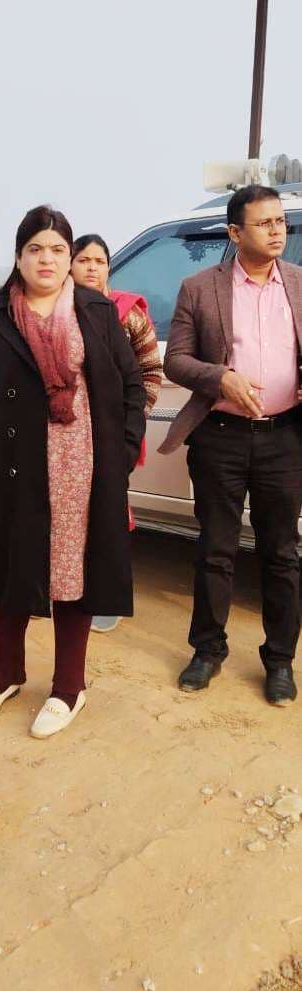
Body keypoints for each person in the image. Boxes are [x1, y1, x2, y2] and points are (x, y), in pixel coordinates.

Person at [0, 205, 145, 738]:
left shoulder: (96, 311)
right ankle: (5, 674)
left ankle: (69, 687)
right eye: (35, 249)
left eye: (58, 249)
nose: (47, 259)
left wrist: (123, 451)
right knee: (11, 566)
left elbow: (131, 384)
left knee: (75, 572)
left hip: (83, 464)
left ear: (70, 257)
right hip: (17, 464)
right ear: (19, 257)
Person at [159, 185, 302, 706]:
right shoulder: (200, 288)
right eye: (264, 223)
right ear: (235, 232)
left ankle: (280, 661)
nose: (276, 230)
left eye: (280, 221)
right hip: (220, 436)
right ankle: (207, 650)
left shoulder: (299, 283)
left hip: (285, 438)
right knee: (215, 549)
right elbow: (176, 360)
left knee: (282, 553)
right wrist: (219, 377)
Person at [71, 233, 162, 632]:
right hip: (66, 435)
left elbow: (150, 372)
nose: (92, 267)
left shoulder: (127, 313)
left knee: (108, 514)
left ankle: (104, 600)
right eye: (84, 260)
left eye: (100, 261)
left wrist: (130, 425)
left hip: (112, 435)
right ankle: (63, 592)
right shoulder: (57, 312)